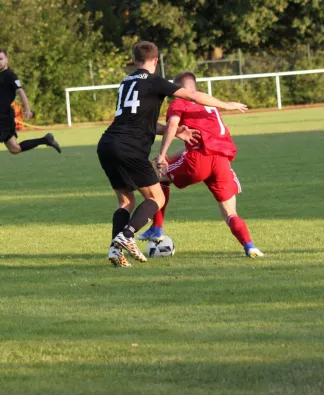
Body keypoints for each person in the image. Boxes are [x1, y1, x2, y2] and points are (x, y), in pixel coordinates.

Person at [98, 41, 248, 268]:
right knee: (156, 198)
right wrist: (226, 105)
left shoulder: (125, 82)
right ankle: (127, 235)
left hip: (107, 143)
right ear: (156, 61)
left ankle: (114, 251)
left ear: (135, 59)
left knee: (125, 201)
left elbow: (141, 122)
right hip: (130, 147)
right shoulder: (155, 81)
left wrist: (175, 131)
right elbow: (193, 96)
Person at [139, 71, 264, 258]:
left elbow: (173, 126)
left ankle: (157, 228)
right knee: (230, 212)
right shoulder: (211, 107)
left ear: (178, 89)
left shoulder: (178, 103)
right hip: (221, 161)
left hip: (198, 160)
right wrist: (170, 158)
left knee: (158, 176)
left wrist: (163, 155)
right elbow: (199, 143)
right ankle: (250, 246)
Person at [0, 48, 61, 186]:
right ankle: (45, 139)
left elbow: (20, 91)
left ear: (6, 59)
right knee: (15, 149)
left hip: (3, 117)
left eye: (0, 59)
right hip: (2, 117)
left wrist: (27, 108)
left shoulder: (10, 75)